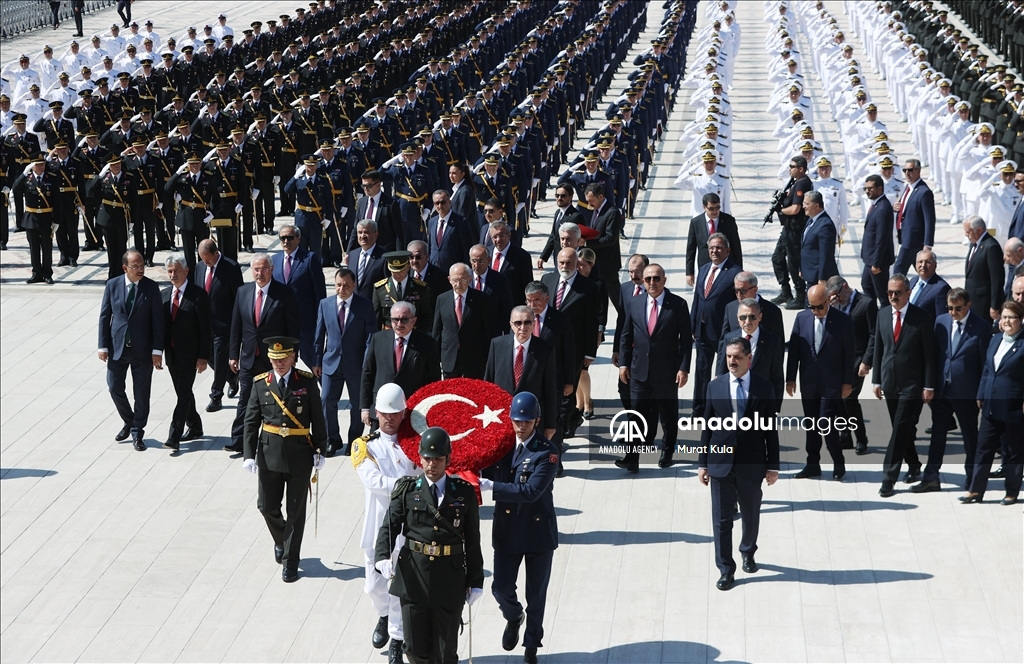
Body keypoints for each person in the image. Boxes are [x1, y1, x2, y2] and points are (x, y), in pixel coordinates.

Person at [374, 427, 484, 664]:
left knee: (445, 653)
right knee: (414, 649)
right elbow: (389, 526)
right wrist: (382, 555)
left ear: (448, 459)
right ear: (419, 457)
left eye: (438, 459)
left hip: (449, 579)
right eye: (427, 458)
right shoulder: (407, 490)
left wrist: (476, 581)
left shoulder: (463, 493)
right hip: (414, 577)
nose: (432, 464)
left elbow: (473, 540)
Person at [478, 392, 558, 664]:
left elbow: (532, 491)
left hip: (537, 533)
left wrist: (494, 487)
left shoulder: (547, 452)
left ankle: (532, 645)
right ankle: (514, 617)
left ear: (537, 420)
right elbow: (482, 465)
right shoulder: (502, 445)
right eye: (516, 420)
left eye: (526, 421)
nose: (521, 426)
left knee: (536, 595)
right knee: (500, 588)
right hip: (508, 530)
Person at [242, 336, 327, 583]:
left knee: (296, 512)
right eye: (275, 359)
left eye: (284, 358)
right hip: (269, 455)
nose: (279, 363)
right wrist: (248, 454)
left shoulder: (307, 383)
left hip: (299, 454)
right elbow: (251, 421)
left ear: (293, 358)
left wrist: (320, 449)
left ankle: (291, 561)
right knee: (266, 506)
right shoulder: (261, 383)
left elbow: (317, 420)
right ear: (269, 358)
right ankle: (281, 539)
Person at [698, 337, 780, 591]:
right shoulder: (715, 386)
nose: (732, 361)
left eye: (737, 357)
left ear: (749, 359)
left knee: (751, 513)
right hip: (720, 462)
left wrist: (773, 465)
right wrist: (702, 463)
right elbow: (708, 427)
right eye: (729, 356)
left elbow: (770, 430)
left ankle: (748, 550)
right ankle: (725, 568)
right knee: (721, 520)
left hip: (752, 464)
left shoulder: (764, 388)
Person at [352, 383, 417, 664]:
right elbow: (373, 481)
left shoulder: (415, 444)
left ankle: (397, 640)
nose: (390, 418)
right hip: (378, 526)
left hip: (407, 528)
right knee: (374, 586)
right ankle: (383, 616)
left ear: (404, 413)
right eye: (385, 413)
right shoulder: (364, 446)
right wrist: (408, 485)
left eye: (395, 413)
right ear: (375, 413)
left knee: (399, 589)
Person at [915, 288, 991, 493]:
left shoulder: (982, 327)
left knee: (970, 437)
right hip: (942, 391)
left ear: (968, 305)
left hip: (967, 393)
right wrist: (929, 385)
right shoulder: (940, 322)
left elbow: (986, 365)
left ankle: (973, 479)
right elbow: (934, 356)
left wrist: (982, 394)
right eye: (950, 308)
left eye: (957, 308)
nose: (953, 312)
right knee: (938, 435)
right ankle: (931, 478)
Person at [617, 263, 692, 471]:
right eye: (648, 279)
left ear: (664, 281)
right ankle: (632, 458)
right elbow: (626, 335)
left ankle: (667, 451)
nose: (652, 283)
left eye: (656, 278)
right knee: (635, 415)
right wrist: (623, 363)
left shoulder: (678, 305)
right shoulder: (635, 302)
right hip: (639, 370)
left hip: (667, 372)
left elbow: (686, 340)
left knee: (668, 415)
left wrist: (683, 368)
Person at [869, 274, 937, 497]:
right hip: (889, 383)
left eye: (898, 292)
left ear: (908, 292)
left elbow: (929, 355)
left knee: (898, 431)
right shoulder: (882, 314)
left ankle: (888, 479)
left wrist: (928, 385)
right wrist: (876, 379)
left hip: (912, 385)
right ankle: (915, 464)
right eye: (890, 292)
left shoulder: (921, 317)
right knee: (902, 429)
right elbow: (879, 348)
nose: (893, 297)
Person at [226, 254, 301, 453]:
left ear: (272, 269)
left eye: (264, 269)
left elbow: (293, 327)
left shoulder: (284, 293)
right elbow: (236, 326)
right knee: (246, 399)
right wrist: (233, 354)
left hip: (275, 359)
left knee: (276, 400)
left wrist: (293, 355)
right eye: (256, 270)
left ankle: (278, 438)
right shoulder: (243, 292)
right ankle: (239, 440)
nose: (260, 273)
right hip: (249, 357)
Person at [786, 285, 855, 480]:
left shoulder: (842, 320)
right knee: (811, 424)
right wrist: (790, 378)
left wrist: (847, 382)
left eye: (819, 307)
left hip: (831, 383)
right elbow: (794, 351)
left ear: (828, 301)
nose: (815, 311)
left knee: (825, 422)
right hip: (809, 383)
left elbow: (849, 354)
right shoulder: (802, 318)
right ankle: (812, 463)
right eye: (812, 307)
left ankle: (838, 461)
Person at [97, 250, 164, 451]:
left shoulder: (151, 288)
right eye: (135, 266)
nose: (140, 269)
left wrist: (157, 351)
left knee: (142, 393)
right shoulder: (113, 285)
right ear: (125, 268)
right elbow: (104, 316)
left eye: (142, 265)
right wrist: (102, 345)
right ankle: (130, 420)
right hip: (118, 348)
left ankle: (137, 432)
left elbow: (158, 322)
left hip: (142, 351)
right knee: (114, 387)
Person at [962, 301, 1024, 505]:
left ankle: (1011, 492)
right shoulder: (995, 339)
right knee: (983, 448)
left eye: (1011, 317)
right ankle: (976, 490)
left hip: (1014, 406)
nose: (1007, 321)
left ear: (1020, 320)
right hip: (990, 403)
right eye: (1004, 317)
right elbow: (987, 370)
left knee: (1014, 451)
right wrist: (981, 394)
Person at [313, 267, 376, 457]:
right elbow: (318, 335)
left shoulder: (364, 306)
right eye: (338, 285)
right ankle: (333, 439)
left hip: (356, 364)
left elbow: (370, 338)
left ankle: (355, 440)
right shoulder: (325, 304)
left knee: (357, 403)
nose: (342, 289)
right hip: (330, 363)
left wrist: (367, 364)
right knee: (326, 401)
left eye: (346, 285)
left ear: (354, 285)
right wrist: (316, 361)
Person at [540, 248, 599, 436]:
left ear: (577, 264)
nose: (565, 266)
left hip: (573, 349)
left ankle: (561, 429)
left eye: (569, 263)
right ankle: (569, 420)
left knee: (567, 391)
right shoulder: (547, 280)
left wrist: (590, 353)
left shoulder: (588, 287)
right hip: (547, 346)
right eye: (562, 262)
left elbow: (591, 323)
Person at [484, 306, 560, 439]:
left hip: (531, 420)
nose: (523, 327)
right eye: (518, 323)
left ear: (534, 324)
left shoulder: (545, 350)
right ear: (511, 325)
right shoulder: (497, 345)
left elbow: (550, 390)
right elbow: (488, 383)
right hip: (500, 418)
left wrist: (550, 425)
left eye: (527, 322)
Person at [360, 301, 440, 425]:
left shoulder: (427, 344)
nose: (399, 324)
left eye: (404, 320)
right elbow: (368, 374)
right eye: (395, 320)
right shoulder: (378, 340)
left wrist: (431, 408)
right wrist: (365, 408)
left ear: (414, 320)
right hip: (382, 409)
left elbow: (433, 379)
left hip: (413, 409)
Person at [161, 254, 211, 451]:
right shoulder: (164, 295)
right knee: (183, 391)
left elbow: (206, 328)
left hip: (191, 355)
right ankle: (196, 425)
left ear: (186, 271)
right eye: (170, 271)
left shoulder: (198, 295)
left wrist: (203, 357)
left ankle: (174, 435)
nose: (173, 275)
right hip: (172, 354)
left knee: (182, 394)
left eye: (177, 271)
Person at [691, 233, 742, 418]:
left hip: (723, 333)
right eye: (711, 247)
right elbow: (697, 299)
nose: (714, 251)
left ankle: (720, 410)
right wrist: (693, 325)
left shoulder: (734, 272)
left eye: (719, 247)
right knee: (701, 372)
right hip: (703, 331)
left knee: (722, 373)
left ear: (727, 250)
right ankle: (699, 410)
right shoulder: (704, 269)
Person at [826, 276, 876, 454]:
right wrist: (828, 310)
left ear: (845, 287)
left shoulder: (866, 303)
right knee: (838, 399)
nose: (836, 299)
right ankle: (845, 435)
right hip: (837, 360)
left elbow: (873, 334)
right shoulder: (834, 304)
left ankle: (861, 438)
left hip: (857, 360)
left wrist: (867, 361)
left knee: (850, 399)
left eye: (837, 295)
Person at [194, 239, 243, 413]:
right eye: (202, 259)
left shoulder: (231, 268)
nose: (205, 263)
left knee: (221, 359)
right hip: (204, 324)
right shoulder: (199, 267)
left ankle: (216, 396)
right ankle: (232, 376)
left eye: (208, 259)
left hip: (224, 324)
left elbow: (239, 297)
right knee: (210, 358)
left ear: (216, 253)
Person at [716, 298, 785, 414]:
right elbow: (722, 372)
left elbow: (777, 376)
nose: (747, 321)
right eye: (743, 317)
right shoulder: (729, 338)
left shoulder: (772, 341)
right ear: (738, 318)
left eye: (752, 317)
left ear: (760, 317)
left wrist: (775, 406)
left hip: (761, 402)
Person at [273, 225, 326, 365]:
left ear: (298, 238)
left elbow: (319, 291)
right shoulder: (274, 260)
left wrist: (320, 318)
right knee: (285, 360)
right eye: (283, 238)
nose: (286, 241)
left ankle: (322, 385)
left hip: (306, 321)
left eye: (290, 237)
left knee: (310, 358)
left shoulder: (310, 258)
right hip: (282, 323)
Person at [432, 263, 492, 378]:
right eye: (455, 280)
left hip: (473, 357)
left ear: (469, 279)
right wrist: (436, 357)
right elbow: (437, 330)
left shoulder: (481, 299)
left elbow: (488, 330)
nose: (458, 284)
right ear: (449, 279)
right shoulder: (442, 299)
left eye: (463, 280)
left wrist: (488, 357)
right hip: (449, 356)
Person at [771, 155, 814, 308]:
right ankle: (785, 291)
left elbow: (795, 209)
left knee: (793, 263)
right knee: (777, 258)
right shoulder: (796, 182)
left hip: (795, 229)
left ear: (801, 169)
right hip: (789, 229)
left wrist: (780, 210)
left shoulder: (802, 184)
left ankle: (801, 295)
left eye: (792, 167)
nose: (789, 169)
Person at [11, 154, 61, 284]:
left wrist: (56, 220)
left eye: (42, 164)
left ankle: (47, 273)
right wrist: (24, 172)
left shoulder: (52, 178)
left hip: (46, 217)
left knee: (46, 247)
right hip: (31, 217)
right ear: (32, 165)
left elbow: (57, 201)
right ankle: (36, 273)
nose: (40, 167)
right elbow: (15, 188)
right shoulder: (27, 179)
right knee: (34, 247)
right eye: (37, 165)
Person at [89, 154, 139, 280]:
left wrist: (132, 219)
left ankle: (122, 275)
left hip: (122, 216)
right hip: (107, 217)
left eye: (118, 164)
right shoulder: (104, 178)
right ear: (109, 166)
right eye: (113, 165)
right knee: (111, 248)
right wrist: (100, 175)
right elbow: (90, 189)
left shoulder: (129, 178)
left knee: (121, 247)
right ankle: (112, 275)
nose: (116, 166)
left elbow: (134, 200)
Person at [582, 183, 622, 314]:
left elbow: (610, 239)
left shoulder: (612, 212)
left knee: (617, 298)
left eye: (591, 200)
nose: (589, 204)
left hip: (608, 264)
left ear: (600, 196)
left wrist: (587, 243)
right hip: (596, 263)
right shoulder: (596, 210)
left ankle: (628, 321)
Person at [686, 192, 742, 284]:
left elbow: (736, 247)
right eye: (711, 208)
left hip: (726, 265)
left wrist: (739, 270)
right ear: (704, 207)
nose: (715, 211)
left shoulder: (729, 221)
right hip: (705, 265)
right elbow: (690, 249)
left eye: (717, 208)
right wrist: (689, 273)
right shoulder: (696, 223)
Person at [893, 158, 936, 275]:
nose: (907, 173)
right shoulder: (908, 188)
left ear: (918, 171)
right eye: (905, 170)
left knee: (898, 271)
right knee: (922, 271)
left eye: (910, 170)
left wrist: (928, 244)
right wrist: (896, 207)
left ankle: (896, 292)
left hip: (913, 240)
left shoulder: (924, 192)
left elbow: (929, 220)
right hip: (905, 236)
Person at [372, 250, 432, 331]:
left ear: (408, 267)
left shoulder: (420, 287)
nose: (397, 274)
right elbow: (376, 318)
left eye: (401, 270)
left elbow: (426, 317)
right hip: (389, 334)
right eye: (394, 271)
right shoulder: (380, 289)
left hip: (413, 334)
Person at [719, 272, 785, 343]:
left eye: (743, 291)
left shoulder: (772, 311)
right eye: (736, 290)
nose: (739, 295)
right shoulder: (730, 308)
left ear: (755, 290)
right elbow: (724, 339)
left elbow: (778, 343)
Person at [963, 215, 1006, 322]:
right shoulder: (974, 244)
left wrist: (994, 305)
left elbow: (997, 279)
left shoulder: (991, 246)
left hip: (983, 303)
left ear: (979, 230)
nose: (966, 235)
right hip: (972, 300)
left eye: (968, 232)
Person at [860, 174, 895, 307]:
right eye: (866, 188)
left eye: (871, 188)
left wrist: (876, 263)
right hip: (870, 259)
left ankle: (887, 320)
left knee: (882, 294)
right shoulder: (876, 205)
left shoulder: (882, 209)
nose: (867, 191)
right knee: (867, 286)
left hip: (877, 261)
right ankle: (873, 319)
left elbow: (882, 238)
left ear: (880, 189)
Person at [351, 170, 401, 253]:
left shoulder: (391, 204)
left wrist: (399, 256)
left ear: (378, 185)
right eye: (364, 186)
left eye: (369, 186)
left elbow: (398, 233)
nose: (366, 189)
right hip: (365, 250)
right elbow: (355, 228)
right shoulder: (361, 202)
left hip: (384, 251)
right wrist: (350, 252)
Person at [426, 190, 473, 276]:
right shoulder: (431, 222)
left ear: (449, 202)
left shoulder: (461, 222)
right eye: (437, 203)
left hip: (453, 271)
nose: (440, 206)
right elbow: (430, 246)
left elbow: (467, 248)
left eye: (443, 202)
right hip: (435, 269)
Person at [799, 190, 839, 290]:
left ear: (816, 206)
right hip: (810, 274)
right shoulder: (811, 220)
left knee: (813, 304)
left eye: (807, 204)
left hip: (818, 277)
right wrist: (802, 269)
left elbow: (826, 254)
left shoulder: (825, 225)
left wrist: (822, 278)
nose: (803, 206)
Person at [538, 184, 585, 268]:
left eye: (563, 196)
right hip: (558, 257)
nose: (559, 198)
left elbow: (581, 240)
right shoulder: (557, 213)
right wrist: (543, 257)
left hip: (569, 260)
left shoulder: (576, 216)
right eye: (557, 195)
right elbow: (553, 236)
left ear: (570, 197)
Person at [348, 219, 387, 300]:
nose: (362, 236)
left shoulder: (384, 257)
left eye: (366, 232)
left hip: (374, 306)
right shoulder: (352, 255)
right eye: (360, 232)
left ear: (376, 234)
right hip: (354, 304)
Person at [906, 249, 951, 319]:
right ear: (915, 264)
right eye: (920, 262)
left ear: (935, 265)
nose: (923, 265)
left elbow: (941, 318)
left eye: (927, 262)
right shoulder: (913, 281)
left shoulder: (941, 288)